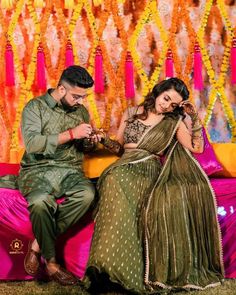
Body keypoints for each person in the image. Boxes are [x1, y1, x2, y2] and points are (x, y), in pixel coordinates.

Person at [84, 78, 224, 294]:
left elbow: (197, 147)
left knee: (120, 185)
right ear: (158, 92)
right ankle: (101, 270)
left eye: (173, 105)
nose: (167, 106)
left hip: (147, 170)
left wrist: (193, 117)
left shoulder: (173, 123)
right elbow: (120, 149)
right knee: (113, 181)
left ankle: (119, 275)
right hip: (122, 166)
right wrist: (103, 139)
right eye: (166, 98)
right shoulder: (132, 112)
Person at [18, 65, 99, 285]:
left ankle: (37, 245)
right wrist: (72, 133)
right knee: (39, 201)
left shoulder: (80, 111)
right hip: (37, 169)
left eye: (84, 96)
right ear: (61, 89)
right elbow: (33, 144)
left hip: (69, 170)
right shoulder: (35, 107)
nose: (81, 101)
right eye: (77, 96)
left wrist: (89, 142)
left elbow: (82, 147)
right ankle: (52, 262)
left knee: (87, 195)